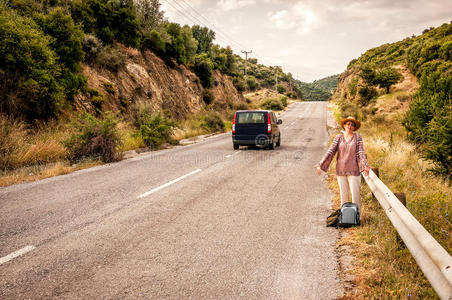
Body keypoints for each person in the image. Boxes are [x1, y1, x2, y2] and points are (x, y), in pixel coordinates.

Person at [315, 116, 371, 221]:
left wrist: (365, 166)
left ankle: (357, 219)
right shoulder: (338, 138)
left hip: (354, 171)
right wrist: (321, 164)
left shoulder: (357, 137)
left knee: (355, 196)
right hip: (341, 170)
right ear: (344, 125)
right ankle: (345, 219)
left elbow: (360, 153)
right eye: (348, 124)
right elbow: (331, 152)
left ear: (354, 127)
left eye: (352, 125)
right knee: (343, 195)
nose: (350, 126)